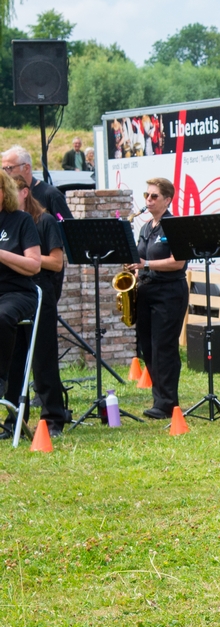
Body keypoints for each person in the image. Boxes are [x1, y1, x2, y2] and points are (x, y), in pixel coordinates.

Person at [9, 177, 66, 436]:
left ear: (24, 192)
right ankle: (15, 420)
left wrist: (25, 258)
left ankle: (52, 418)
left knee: (43, 359)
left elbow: (56, 262)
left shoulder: (44, 221)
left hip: (40, 290)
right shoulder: (8, 223)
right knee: (14, 359)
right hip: (14, 292)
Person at [129, 178, 188, 419]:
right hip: (147, 290)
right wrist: (134, 272)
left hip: (169, 291)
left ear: (167, 200)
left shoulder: (174, 226)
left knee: (164, 347)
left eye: (154, 196)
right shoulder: (146, 228)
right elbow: (139, 260)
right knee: (148, 347)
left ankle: (168, 402)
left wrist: (146, 264)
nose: (149, 200)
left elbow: (178, 262)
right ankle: (159, 399)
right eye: (147, 195)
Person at [0, 172, 42, 423]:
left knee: (2, 316)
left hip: (18, 292)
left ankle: (0, 378)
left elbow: (34, 265)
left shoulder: (21, 220)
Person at [1, 146, 72, 221]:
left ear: (26, 168)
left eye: (9, 168)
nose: (5, 174)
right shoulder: (4, 195)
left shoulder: (51, 194)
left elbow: (67, 225)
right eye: (3, 169)